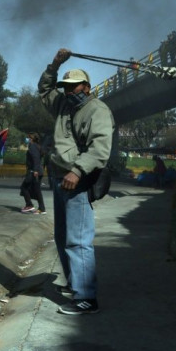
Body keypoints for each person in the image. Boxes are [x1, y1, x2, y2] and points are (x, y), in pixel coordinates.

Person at [39, 48, 114, 315]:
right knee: (62, 237)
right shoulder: (62, 105)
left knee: (78, 240)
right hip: (61, 179)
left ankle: (86, 298)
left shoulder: (98, 110)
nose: (69, 91)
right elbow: (45, 90)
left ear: (87, 86)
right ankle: (76, 285)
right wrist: (55, 64)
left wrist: (78, 171)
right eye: (66, 87)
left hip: (79, 181)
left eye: (74, 86)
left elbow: (100, 149)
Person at [20, 133, 46, 214]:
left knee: (24, 187)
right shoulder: (37, 146)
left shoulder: (33, 146)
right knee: (37, 190)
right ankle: (41, 208)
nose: (27, 139)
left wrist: (35, 170)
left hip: (34, 172)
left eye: (28, 138)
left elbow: (36, 158)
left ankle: (29, 205)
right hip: (37, 171)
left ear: (31, 139)